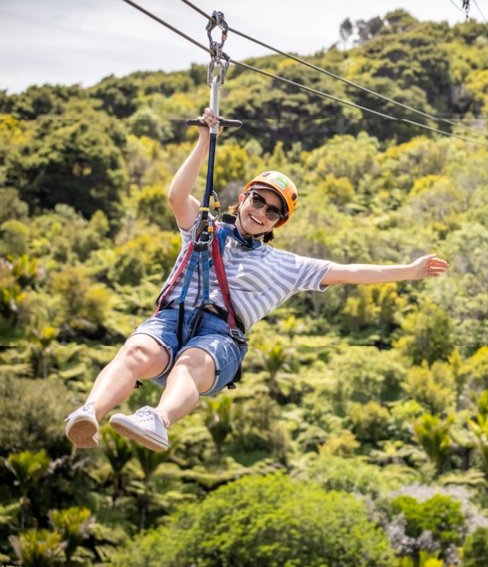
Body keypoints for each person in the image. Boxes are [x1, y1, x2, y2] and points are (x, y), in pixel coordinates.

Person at [65, 108, 449, 452]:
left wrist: (409, 270)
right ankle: (90, 413)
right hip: (173, 318)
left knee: (189, 363)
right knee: (135, 352)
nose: (262, 212)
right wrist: (203, 142)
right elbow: (177, 195)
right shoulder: (204, 229)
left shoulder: (285, 265)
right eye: (258, 201)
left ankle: (158, 420)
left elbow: (350, 273)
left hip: (219, 336)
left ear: (278, 223)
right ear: (242, 200)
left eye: (273, 211)